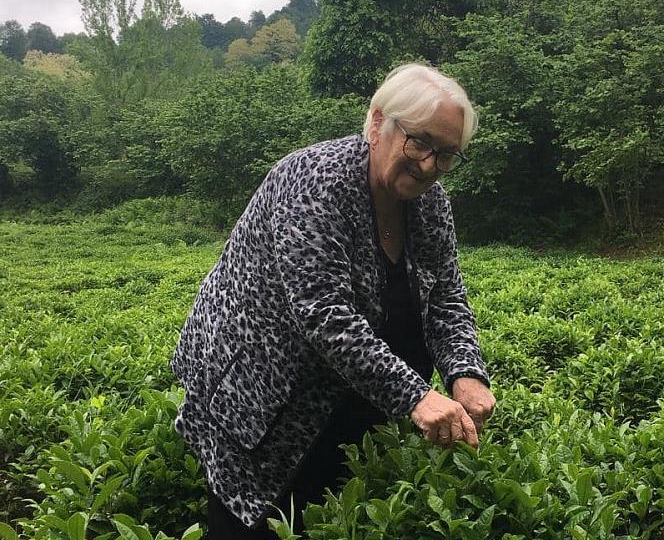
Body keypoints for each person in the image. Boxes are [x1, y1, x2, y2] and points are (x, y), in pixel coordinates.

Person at [170, 63, 496, 539]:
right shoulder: (314, 181)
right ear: (378, 121)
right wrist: (416, 396)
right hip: (263, 391)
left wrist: (465, 372)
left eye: (446, 154)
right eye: (419, 141)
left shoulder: (431, 203)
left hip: (354, 397)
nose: (429, 164)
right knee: (253, 522)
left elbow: (445, 294)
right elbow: (324, 315)